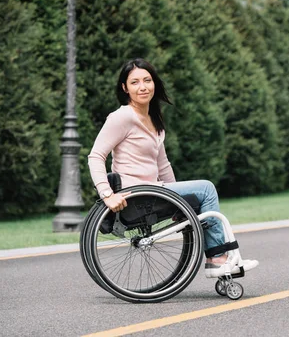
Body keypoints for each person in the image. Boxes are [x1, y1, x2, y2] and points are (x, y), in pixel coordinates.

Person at [87, 58, 258, 278]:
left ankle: (218, 257)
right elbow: (95, 156)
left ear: (154, 83)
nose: (143, 87)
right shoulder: (121, 117)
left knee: (199, 193)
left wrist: (180, 203)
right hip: (137, 194)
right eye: (135, 82)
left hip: (154, 191)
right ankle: (217, 258)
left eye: (147, 80)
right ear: (125, 88)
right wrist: (107, 194)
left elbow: (163, 165)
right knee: (207, 189)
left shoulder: (153, 120)